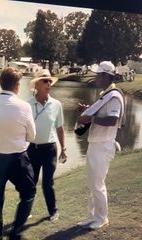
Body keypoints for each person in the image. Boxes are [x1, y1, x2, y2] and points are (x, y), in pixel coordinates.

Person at [0, 67, 36, 240]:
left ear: (1, 83)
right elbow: (32, 135)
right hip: (16, 158)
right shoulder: (24, 106)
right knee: (28, 193)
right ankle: (16, 231)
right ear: (17, 86)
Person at [76, 61, 125, 230]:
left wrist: (91, 118)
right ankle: (91, 215)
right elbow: (103, 114)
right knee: (92, 183)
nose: (96, 77)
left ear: (106, 76)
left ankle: (102, 217)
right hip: (96, 143)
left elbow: (112, 120)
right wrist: (89, 110)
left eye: (98, 75)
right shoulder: (107, 94)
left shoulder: (114, 96)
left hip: (103, 145)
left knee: (97, 184)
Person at [27, 69, 67, 223]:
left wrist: (63, 148)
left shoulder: (56, 104)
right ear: (37, 84)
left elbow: (60, 128)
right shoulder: (27, 104)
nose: (48, 83)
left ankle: (53, 211)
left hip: (50, 149)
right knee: (31, 182)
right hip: (32, 149)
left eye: (50, 81)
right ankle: (26, 211)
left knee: (47, 183)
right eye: (45, 81)